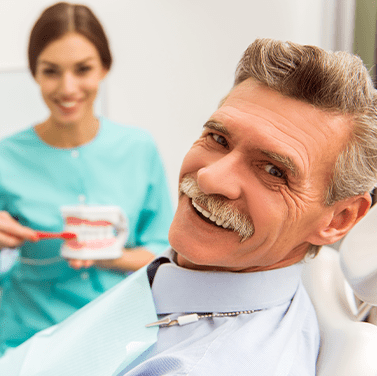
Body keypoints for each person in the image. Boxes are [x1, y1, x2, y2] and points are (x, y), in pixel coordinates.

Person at [1, 38, 377, 376]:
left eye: (273, 170)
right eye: (218, 138)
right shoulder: (186, 274)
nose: (212, 178)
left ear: (339, 218)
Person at [0, 2, 173, 355]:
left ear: (105, 67)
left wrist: (107, 255)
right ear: (34, 73)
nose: (68, 88)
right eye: (51, 71)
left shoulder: (138, 148)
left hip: (114, 334)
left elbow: (165, 254)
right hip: (22, 337)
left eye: (83, 69)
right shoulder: (6, 156)